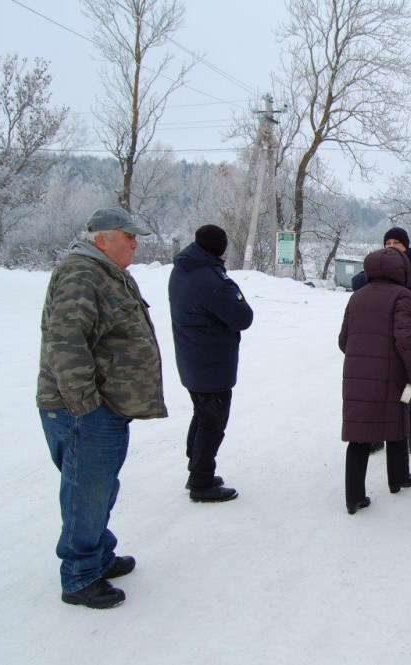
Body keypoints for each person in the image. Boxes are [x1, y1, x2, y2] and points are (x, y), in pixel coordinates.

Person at [37, 207, 167, 609]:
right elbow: (67, 343)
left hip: (105, 407)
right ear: (102, 239)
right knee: (86, 492)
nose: (135, 243)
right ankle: (79, 576)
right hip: (85, 410)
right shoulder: (82, 274)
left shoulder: (107, 272)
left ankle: (97, 554)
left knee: (100, 487)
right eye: (128, 236)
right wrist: (84, 408)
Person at [168, 224, 253, 503]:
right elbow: (243, 317)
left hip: (192, 358)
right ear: (219, 249)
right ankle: (201, 480)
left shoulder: (183, 269)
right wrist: (233, 290)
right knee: (213, 421)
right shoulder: (210, 279)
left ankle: (197, 466)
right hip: (210, 362)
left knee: (202, 415)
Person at [339, 248, 411, 514]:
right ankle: (398, 478)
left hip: (357, 375)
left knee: (359, 435)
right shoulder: (403, 295)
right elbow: (405, 339)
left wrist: (364, 356)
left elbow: (343, 340)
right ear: (402, 270)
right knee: (399, 419)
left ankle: (354, 498)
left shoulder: (357, 296)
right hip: (393, 374)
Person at [351, 227, 411, 456]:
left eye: (397, 242)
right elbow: (357, 286)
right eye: (388, 242)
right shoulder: (377, 267)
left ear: (406, 245)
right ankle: (378, 436)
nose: (391, 246)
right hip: (380, 345)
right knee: (380, 392)